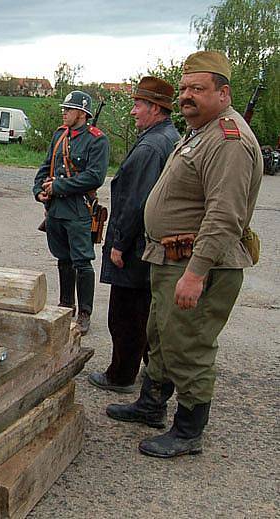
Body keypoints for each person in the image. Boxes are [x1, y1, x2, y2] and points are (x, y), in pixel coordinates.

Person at [106, 51, 263, 458]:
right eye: (184, 90)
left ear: (223, 93)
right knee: (161, 336)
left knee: (189, 344)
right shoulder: (202, 131)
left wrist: (195, 273)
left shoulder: (229, 140)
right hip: (171, 259)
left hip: (198, 263)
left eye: (198, 89)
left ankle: (189, 430)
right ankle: (151, 404)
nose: (186, 97)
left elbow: (224, 215)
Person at [88, 77, 180, 393]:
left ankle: (120, 375)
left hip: (136, 246)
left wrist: (119, 244)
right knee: (143, 311)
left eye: (138, 105)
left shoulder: (153, 146)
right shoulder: (168, 137)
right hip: (149, 244)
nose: (133, 112)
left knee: (126, 315)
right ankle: (147, 369)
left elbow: (136, 200)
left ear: (155, 108)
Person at [32, 91, 109, 334]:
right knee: (63, 260)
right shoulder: (59, 135)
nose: (64, 112)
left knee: (82, 262)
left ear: (82, 113)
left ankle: (85, 312)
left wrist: (59, 186)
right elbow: (46, 167)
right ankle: (66, 305)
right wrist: (38, 191)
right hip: (55, 210)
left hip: (78, 210)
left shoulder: (97, 140)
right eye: (64, 108)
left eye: (69, 109)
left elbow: (95, 176)